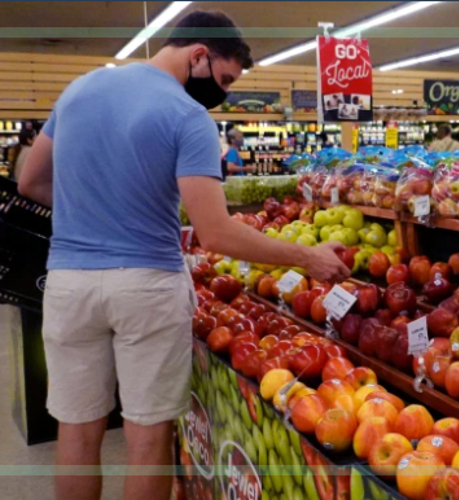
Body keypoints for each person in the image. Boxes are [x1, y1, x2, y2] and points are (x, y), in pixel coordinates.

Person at [18, 10, 350, 500]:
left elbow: (30, 181)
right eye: (224, 79)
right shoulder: (188, 116)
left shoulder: (80, 89)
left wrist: (90, 210)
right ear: (199, 55)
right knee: (148, 440)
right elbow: (215, 233)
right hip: (147, 287)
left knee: (77, 432)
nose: (224, 93)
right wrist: (307, 257)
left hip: (70, 283)